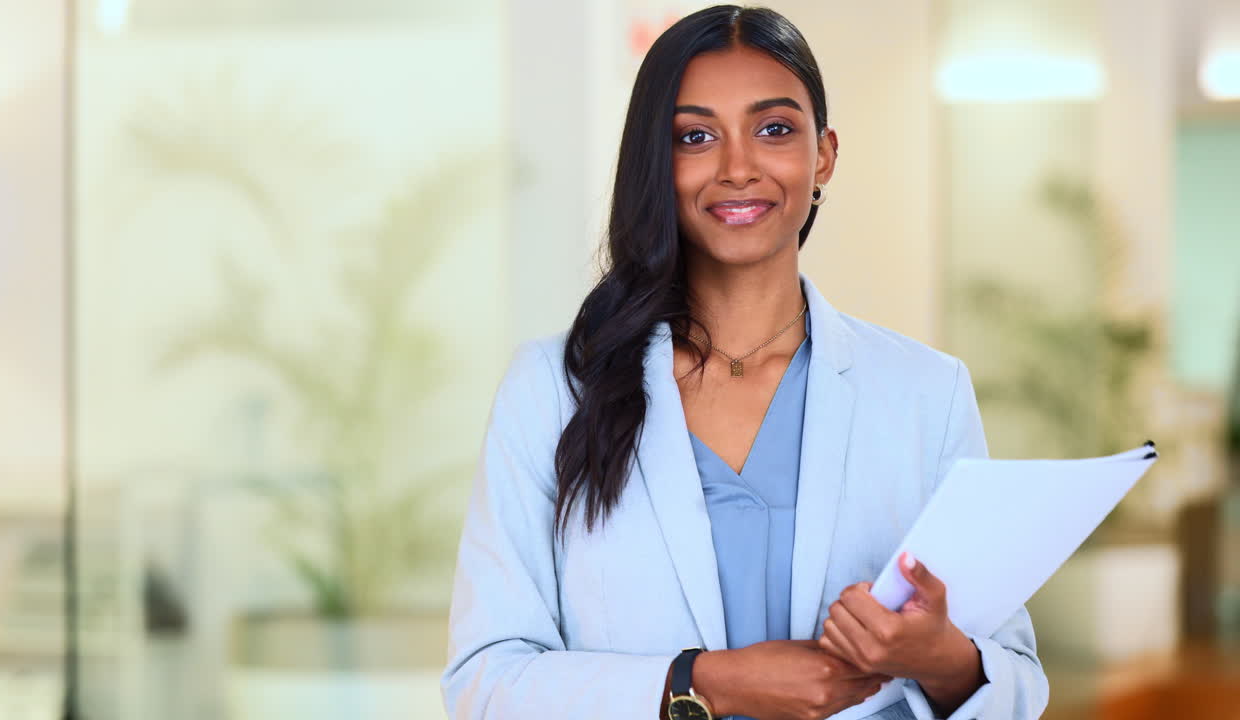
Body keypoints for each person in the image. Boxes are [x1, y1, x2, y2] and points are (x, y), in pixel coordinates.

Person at [442, 6, 1048, 720]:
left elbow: (1015, 685)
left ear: (823, 154)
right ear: (656, 164)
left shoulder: (925, 393)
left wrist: (938, 655)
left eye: (774, 129)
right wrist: (706, 683)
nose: (737, 167)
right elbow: (485, 685)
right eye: (695, 136)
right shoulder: (552, 391)